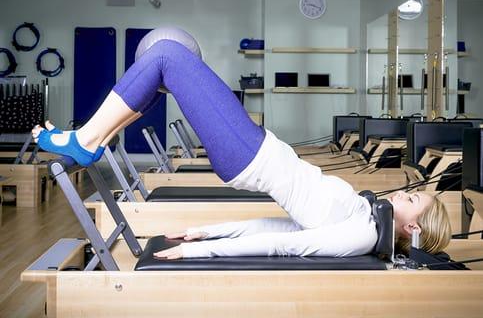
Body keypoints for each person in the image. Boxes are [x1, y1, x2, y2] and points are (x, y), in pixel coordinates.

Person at [32, 27, 452, 260]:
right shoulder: (363, 213)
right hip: (256, 151)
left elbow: (284, 245)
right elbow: (278, 226)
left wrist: (202, 255)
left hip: (252, 155)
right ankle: (98, 138)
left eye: (415, 201)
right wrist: (208, 234)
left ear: (412, 228)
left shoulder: (360, 234)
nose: (407, 192)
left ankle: (86, 138)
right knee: (162, 68)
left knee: (168, 55)